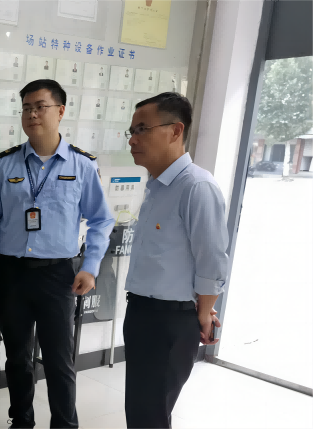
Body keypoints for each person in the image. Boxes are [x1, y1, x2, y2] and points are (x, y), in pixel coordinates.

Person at [0, 79, 114, 429]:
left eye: (40, 106)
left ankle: (65, 425)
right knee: (17, 358)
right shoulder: (4, 165)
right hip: (11, 274)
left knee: (59, 361)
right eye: (26, 108)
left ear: (61, 111)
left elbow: (101, 220)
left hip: (58, 276)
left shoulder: (82, 165)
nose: (32, 114)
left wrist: (91, 266)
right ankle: (21, 421)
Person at [123, 93, 228, 429]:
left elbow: (212, 260)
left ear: (175, 131)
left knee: (150, 415)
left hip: (169, 322)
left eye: (142, 129)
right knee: (140, 411)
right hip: (142, 312)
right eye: (131, 131)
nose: (133, 139)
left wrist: (203, 312)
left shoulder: (196, 187)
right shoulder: (157, 186)